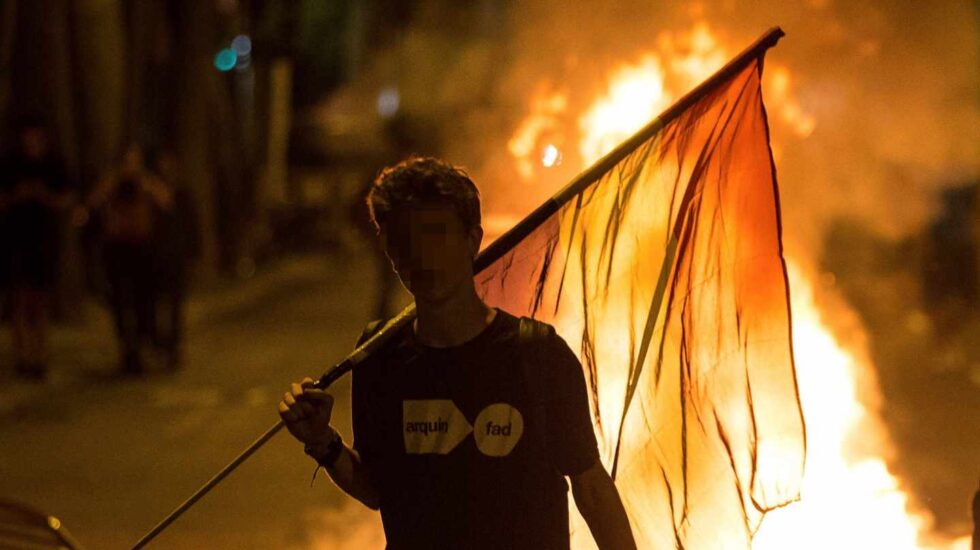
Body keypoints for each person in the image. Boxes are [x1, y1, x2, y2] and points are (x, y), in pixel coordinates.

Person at [279, 157, 636, 549]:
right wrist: (323, 442)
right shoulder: (379, 357)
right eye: (404, 239)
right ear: (388, 249)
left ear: (472, 239)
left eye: (436, 234)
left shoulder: (537, 354)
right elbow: (379, 489)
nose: (421, 254)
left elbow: (591, 487)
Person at [87, 145, 171, 375]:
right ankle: (127, 352)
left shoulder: (146, 183)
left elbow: (166, 201)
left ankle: (143, 348)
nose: (131, 169)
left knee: (144, 302)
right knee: (121, 304)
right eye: (127, 164)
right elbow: (93, 204)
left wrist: (148, 186)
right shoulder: (112, 184)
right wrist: (108, 189)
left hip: (142, 249)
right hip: (117, 251)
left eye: (135, 163)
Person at [0, 120, 72, 380]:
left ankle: (40, 355)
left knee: (40, 301)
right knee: (18, 299)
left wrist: (45, 196)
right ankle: (22, 356)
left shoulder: (53, 162)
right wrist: (16, 196)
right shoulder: (10, 162)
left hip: (44, 239)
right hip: (15, 238)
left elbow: (66, 198)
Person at [149, 149, 199, 369]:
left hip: (176, 256)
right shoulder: (151, 194)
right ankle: (159, 345)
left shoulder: (183, 193)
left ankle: (173, 349)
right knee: (157, 305)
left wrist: (193, 253)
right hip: (156, 257)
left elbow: (191, 224)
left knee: (175, 306)